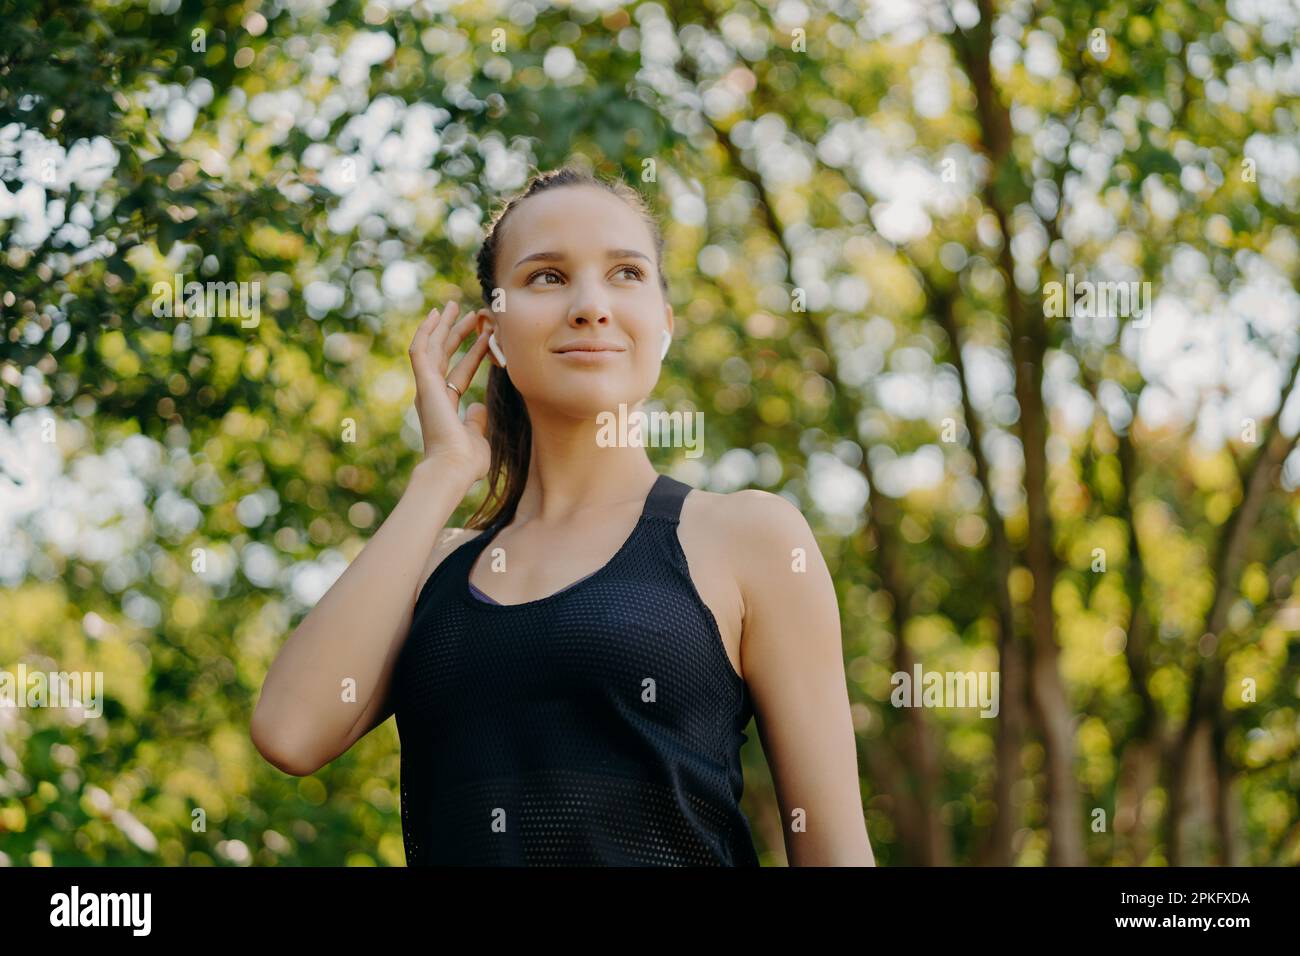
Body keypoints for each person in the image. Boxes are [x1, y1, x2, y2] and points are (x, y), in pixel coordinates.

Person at [251, 166, 874, 866]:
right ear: (493, 334)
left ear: (663, 327)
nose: (590, 305)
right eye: (547, 277)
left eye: (626, 273)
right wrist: (442, 473)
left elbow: (836, 854)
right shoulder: (433, 567)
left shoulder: (748, 538)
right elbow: (290, 731)